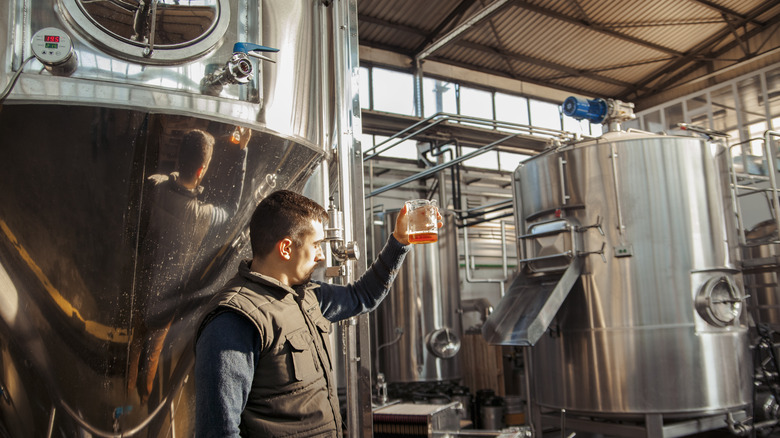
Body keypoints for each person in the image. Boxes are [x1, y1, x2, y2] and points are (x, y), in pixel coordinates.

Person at [194, 190, 440, 437]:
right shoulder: (235, 320)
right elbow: (219, 431)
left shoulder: (308, 295)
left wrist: (399, 241)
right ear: (286, 248)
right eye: (316, 245)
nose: (322, 256)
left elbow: (363, 296)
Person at [128, 128, 247, 404]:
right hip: (168, 297)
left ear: (179, 159)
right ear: (202, 170)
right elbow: (233, 207)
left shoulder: (154, 186)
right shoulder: (200, 215)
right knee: (154, 349)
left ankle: (126, 391)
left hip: (142, 284)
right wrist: (241, 151)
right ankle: (142, 401)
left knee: (135, 340)